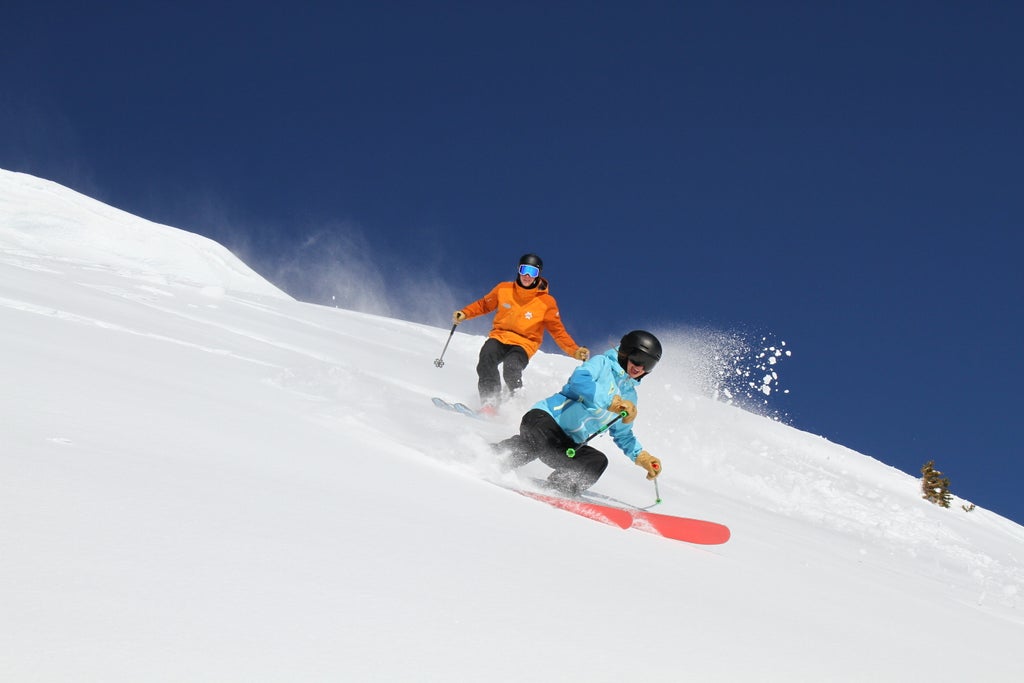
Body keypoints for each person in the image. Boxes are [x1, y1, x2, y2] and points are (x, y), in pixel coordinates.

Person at [492, 330, 664, 496]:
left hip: (566, 443)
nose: (640, 367)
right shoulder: (602, 364)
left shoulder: (631, 397)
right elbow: (579, 381)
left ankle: (559, 489)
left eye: (648, 364)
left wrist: (642, 457)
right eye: (638, 358)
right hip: (546, 420)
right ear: (626, 352)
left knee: (596, 462)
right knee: (535, 444)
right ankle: (491, 458)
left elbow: (623, 434)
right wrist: (611, 401)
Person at [453, 253, 589, 414]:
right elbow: (484, 305)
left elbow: (558, 332)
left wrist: (574, 350)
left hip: (524, 344)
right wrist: (465, 313)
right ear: (518, 270)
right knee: (486, 356)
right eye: (524, 270)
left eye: (532, 272)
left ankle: (516, 404)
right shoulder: (503, 289)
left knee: (511, 367)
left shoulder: (547, 302)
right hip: (500, 336)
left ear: (538, 275)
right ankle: (489, 403)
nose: (527, 276)